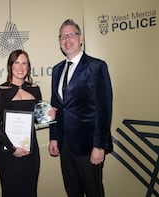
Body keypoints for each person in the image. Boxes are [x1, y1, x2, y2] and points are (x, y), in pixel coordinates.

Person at [48, 19, 113, 197]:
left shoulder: (96, 66)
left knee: (94, 192)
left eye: (71, 35)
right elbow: (56, 105)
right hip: (65, 145)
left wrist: (99, 145)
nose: (67, 39)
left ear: (81, 38)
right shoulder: (57, 70)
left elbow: (104, 109)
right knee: (72, 191)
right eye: (63, 36)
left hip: (88, 146)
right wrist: (54, 137)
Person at [0, 50, 55, 197]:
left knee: (30, 191)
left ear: (28, 67)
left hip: (30, 152)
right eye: (16, 62)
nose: (20, 67)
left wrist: (50, 115)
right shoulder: (1, 91)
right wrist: (13, 148)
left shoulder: (34, 89)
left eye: (24, 63)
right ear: (10, 66)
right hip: (8, 153)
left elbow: (37, 119)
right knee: (10, 192)